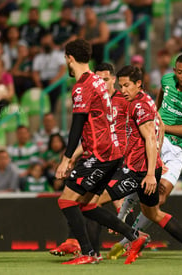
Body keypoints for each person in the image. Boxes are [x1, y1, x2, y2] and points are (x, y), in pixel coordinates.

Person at [108, 53, 182, 259]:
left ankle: (130, 238)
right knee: (141, 178)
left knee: (160, 195)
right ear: (174, 71)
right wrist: (151, 121)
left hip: (177, 149)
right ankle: (130, 233)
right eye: (180, 72)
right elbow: (156, 105)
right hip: (156, 138)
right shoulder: (166, 80)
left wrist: (161, 125)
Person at [54, 39, 146, 265]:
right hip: (112, 152)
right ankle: (134, 237)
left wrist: (66, 160)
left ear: (69, 58)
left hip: (100, 154)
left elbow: (77, 125)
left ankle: (87, 253)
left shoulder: (82, 86)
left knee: (66, 201)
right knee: (87, 205)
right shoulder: (98, 81)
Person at [50, 62, 130, 259]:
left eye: (105, 80)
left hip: (117, 158)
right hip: (98, 155)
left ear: (113, 80)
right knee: (87, 203)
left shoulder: (123, 101)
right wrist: (74, 155)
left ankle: (91, 248)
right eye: (99, 79)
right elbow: (93, 137)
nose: (101, 83)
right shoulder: (98, 100)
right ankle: (90, 248)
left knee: (83, 201)